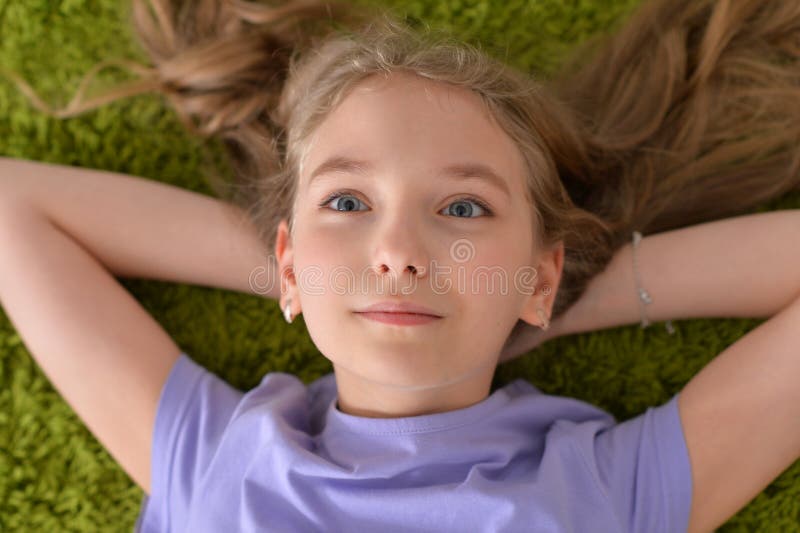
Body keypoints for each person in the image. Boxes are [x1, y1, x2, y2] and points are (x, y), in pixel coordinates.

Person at [0, 0, 799, 531]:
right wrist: (307, 271)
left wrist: (550, 290)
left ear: (541, 273)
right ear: (285, 259)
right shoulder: (213, 458)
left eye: (462, 208)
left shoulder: (611, 490)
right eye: (348, 203)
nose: (398, 252)